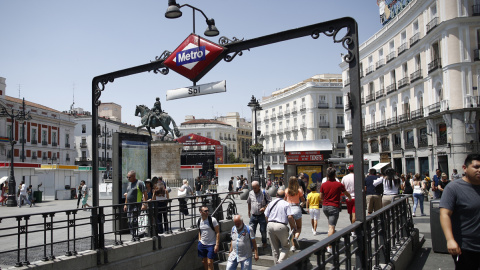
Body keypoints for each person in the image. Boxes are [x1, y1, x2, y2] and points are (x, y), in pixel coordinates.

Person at [440, 154, 480, 270]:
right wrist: (450, 240)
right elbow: (445, 214)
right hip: (466, 247)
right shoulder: (453, 188)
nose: (479, 170)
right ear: (465, 168)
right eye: (476, 167)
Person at [320, 167, 352, 254]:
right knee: (332, 226)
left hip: (325, 207)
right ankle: (329, 246)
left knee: (330, 223)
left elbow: (321, 197)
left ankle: (332, 236)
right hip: (334, 206)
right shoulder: (339, 184)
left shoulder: (324, 184)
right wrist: (349, 197)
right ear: (335, 175)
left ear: (327, 175)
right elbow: (346, 193)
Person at [264, 189, 295, 264]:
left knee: (274, 249)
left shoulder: (271, 203)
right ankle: (280, 262)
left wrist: (269, 223)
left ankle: (276, 266)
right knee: (285, 247)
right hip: (281, 226)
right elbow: (290, 217)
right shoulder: (286, 204)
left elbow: (266, 215)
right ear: (285, 196)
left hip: (270, 225)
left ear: (276, 195)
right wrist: (294, 227)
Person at [123, 171, 147, 241]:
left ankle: (135, 235)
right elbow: (127, 195)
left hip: (136, 205)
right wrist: (125, 204)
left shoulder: (139, 183)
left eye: (129, 177)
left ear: (134, 176)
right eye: (127, 177)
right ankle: (133, 235)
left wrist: (144, 204)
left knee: (134, 220)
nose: (128, 178)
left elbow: (145, 193)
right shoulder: (129, 184)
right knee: (129, 221)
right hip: (129, 206)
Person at [247, 181, 271, 249]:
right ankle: (251, 245)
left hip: (262, 215)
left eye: (255, 188)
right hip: (253, 215)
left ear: (258, 187)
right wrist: (249, 211)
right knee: (251, 230)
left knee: (263, 230)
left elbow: (270, 202)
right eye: (253, 188)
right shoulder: (251, 193)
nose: (254, 189)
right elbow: (249, 202)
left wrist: (264, 208)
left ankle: (264, 242)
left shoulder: (264, 193)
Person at [285, 176, 306, 251]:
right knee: (299, 227)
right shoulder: (299, 190)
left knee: (292, 229)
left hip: (289, 209)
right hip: (296, 208)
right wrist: (302, 204)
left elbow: (284, 201)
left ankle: (293, 246)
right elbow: (303, 200)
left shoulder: (287, 190)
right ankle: (296, 238)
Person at [197, 205, 220, 270]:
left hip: (211, 244)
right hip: (202, 244)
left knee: (210, 262)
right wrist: (199, 240)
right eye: (205, 211)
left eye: (208, 210)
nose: (207, 212)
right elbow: (199, 231)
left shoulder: (213, 220)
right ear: (201, 212)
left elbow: (217, 232)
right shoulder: (198, 221)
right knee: (204, 261)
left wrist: (217, 245)